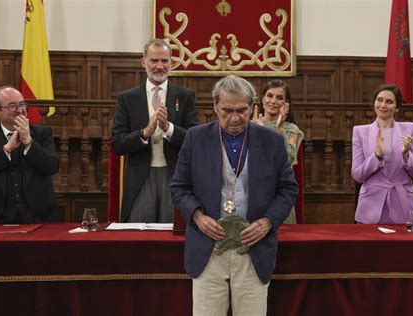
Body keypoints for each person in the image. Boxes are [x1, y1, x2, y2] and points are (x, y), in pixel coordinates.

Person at [171, 75, 298, 315]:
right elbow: (179, 187)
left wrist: (268, 222)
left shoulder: (272, 140)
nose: (235, 118)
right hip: (207, 247)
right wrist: (198, 217)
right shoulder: (195, 137)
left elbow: (288, 188)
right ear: (215, 107)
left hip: (255, 247)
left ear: (252, 107)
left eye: (242, 110)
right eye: (227, 111)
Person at [111, 38, 199, 223]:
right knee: (138, 240)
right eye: (154, 60)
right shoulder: (127, 98)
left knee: (173, 238)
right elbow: (117, 143)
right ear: (143, 62)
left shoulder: (185, 96)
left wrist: (169, 128)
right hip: (141, 177)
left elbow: (194, 140)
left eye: (164, 61)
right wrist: (144, 133)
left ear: (171, 63)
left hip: (174, 176)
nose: (160, 66)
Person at [0, 86, 60, 223]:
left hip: (39, 216)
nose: (20, 110)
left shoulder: (42, 133)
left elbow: (52, 166)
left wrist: (29, 143)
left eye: (22, 104)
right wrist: (7, 148)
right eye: (12, 106)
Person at [352, 84, 413, 224]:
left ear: (397, 108)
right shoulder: (360, 132)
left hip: (404, 207)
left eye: (389, 102)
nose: (383, 105)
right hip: (370, 209)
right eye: (379, 100)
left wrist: (406, 156)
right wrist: (377, 156)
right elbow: (357, 175)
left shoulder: (410, 129)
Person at [252, 79, 304, 223]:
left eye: (279, 98)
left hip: (281, 193)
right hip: (255, 191)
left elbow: (287, 160)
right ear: (262, 99)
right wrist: (258, 132)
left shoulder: (292, 130)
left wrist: (280, 130)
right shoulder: (250, 127)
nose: (273, 101)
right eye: (269, 96)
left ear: (286, 104)